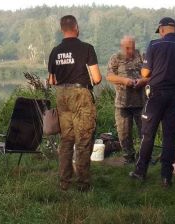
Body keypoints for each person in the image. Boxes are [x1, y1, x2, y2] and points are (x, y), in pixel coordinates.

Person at [129, 17, 175, 188]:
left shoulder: (154, 45)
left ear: (162, 29)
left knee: (148, 134)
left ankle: (140, 171)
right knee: (169, 137)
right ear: (174, 29)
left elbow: (145, 73)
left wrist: (159, 71)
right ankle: (166, 177)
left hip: (156, 96)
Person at [48, 15, 102, 192]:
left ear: (62, 29)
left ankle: (64, 182)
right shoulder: (86, 48)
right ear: (76, 27)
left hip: (62, 95)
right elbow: (97, 78)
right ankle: (83, 184)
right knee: (83, 139)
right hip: (80, 95)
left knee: (66, 139)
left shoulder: (55, 51)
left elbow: (51, 81)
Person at [106, 36, 147, 164]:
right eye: (127, 47)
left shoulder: (142, 56)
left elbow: (152, 75)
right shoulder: (115, 58)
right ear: (122, 46)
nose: (130, 50)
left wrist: (142, 81)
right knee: (123, 133)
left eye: (132, 47)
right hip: (122, 103)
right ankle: (128, 157)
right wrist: (124, 81)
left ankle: (144, 156)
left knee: (145, 131)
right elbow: (109, 76)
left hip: (141, 102)